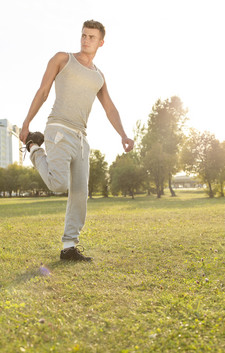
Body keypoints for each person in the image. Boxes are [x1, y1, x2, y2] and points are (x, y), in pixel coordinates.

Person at [20, 20, 134, 262]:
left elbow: (110, 108)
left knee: (80, 194)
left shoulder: (99, 76)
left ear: (101, 42)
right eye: (83, 35)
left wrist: (123, 134)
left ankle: (69, 247)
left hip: (81, 138)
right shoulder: (63, 59)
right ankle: (34, 146)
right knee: (59, 184)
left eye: (91, 37)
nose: (85, 39)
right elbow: (43, 91)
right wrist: (26, 123)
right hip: (58, 128)